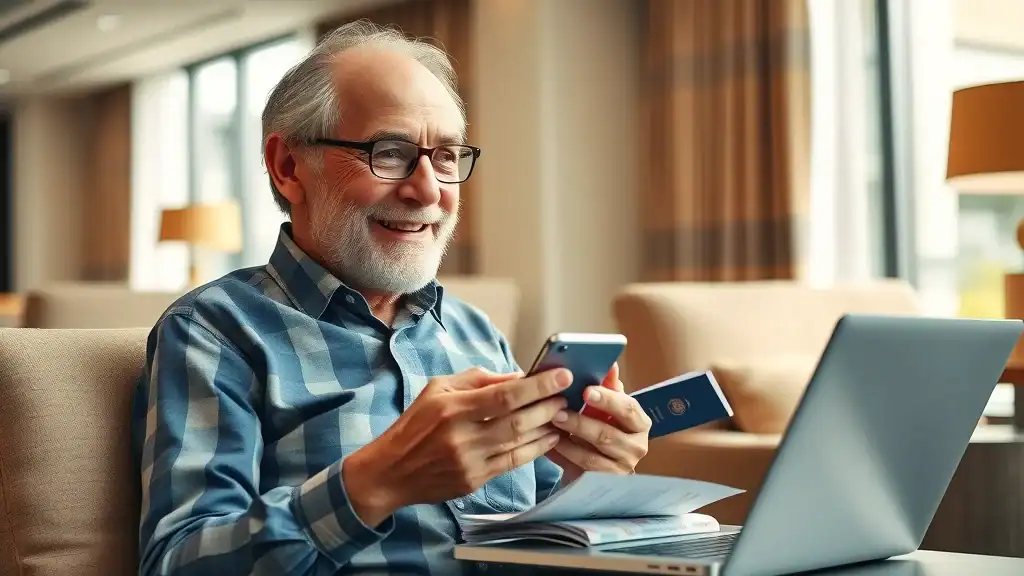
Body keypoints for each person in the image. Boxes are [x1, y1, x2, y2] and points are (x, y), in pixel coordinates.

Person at [131, 20, 651, 575]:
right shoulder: (216, 330)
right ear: (288, 168)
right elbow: (178, 562)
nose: (428, 190)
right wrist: (375, 482)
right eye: (390, 152)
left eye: (446, 156)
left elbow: (535, 534)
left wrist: (588, 483)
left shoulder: (475, 332)